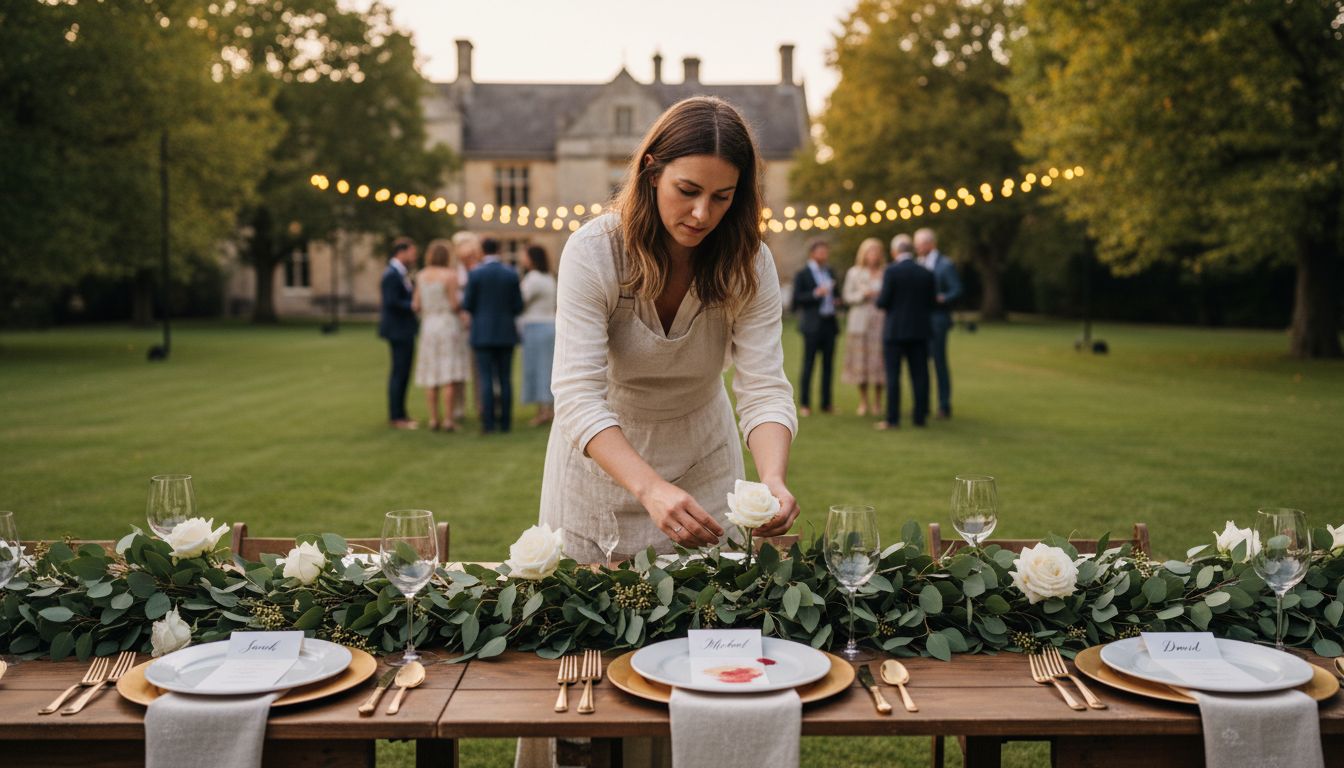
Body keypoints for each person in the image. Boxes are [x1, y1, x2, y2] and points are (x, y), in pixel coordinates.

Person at [540, 95, 800, 563]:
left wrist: (773, 478)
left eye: (722, 197)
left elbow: (764, 388)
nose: (703, 214)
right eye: (688, 190)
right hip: (600, 468)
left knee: (712, 627)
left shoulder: (751, 263)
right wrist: (652, 488)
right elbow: (577, 394)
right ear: (651, 171)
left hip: (706, 464)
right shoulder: (593, 252)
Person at [875, 234, 936, 429]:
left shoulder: (891, 272)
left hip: (895, 332)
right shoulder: (925, 272)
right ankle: (920, 417)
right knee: (920, 375)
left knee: (893, 376)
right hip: (920, 331)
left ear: (895, 252)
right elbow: (932, 302)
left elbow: (883, 301)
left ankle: (893, 419)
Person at [463, 237, 523, 434]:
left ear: (482, 250)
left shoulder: (476, 274)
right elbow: (518, 306)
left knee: (486, 378)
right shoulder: (510, 273)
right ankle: (505, 422)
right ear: (499, 249)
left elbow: (468, 304)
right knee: (505, 378)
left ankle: (488, 423)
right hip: (506, 332)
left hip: (482, 333)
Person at [412, 240, 470, 431]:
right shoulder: (450, 275)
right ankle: (448, 419)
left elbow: (416, 305)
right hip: (447, 324)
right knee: (448, 373)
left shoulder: (421, 275)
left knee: (432, 373)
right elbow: (454, 304)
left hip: (429, 325)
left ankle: (433, 418)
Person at [916, 227, 963, 419]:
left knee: (939, 362)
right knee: (920, 363)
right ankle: (923, 404)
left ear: (930, 244)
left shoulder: (945, 264)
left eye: (920, 244)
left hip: (938, 319)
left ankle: (944, 405)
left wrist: (943, 297)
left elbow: (957, 289)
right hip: (919, 319)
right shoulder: (918, 263)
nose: (917, 248)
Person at [841, 237, 888, 416]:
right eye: (870, 251)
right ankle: (863, 401)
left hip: (880, 321)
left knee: (878, 362)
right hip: (860, 322)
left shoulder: (885, 272)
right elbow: (847, 296)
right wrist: (863, 294)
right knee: (861, 363)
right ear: (864, 254)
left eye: (876, 252)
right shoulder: (854, 272)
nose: (873, 255)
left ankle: (877, 402)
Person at [792, 239, 838, 416]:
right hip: (812, 324)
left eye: (826, 251)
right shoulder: (803, 274)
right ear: (812, 253)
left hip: (829, 323)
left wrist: (836, 299)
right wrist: (816, 294)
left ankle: (826, 403)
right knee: (809, 364)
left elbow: (837, 293)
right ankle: (805, 403)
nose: (824, 254)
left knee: (828, 365)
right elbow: (797, 298)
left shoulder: (830, 272)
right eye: (821, 251)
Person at [378, 237, 419, 430]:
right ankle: (396, 416)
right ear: (401, 252)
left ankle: (401, 413)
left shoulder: (401, 273)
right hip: (398, 329)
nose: (414, 256)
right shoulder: (391, 274)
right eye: (412, 252)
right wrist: (412, 305)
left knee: (403, 372)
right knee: (399, 372)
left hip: (404, 328)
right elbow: (391, 301)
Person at [518, 245, 557, 426]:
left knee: (538, 368)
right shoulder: (549, 277)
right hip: (550, 324)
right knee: (548, 368)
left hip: (535, 326)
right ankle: (548, 409)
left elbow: (520, 300)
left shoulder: (532, 278)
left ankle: (543, 412)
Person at [451, 231, 484, 423]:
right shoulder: (453, 271)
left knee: (478, 367)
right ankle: (458, 407)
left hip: (477, 322)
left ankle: (481, 404)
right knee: (457, 367)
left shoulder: (479, 269)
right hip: (457, 323)